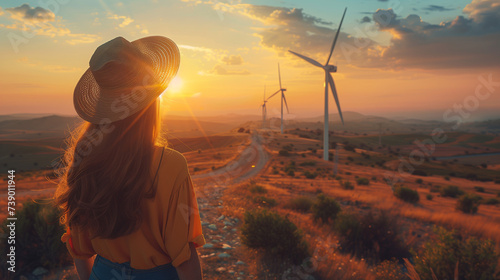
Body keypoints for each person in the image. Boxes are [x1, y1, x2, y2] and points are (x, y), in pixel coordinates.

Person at [54, 36, 205, 280]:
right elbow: (184, 258)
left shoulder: (85, 163)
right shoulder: (171, 165)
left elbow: (80, 251)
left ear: (102, 105)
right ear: (152, 102)